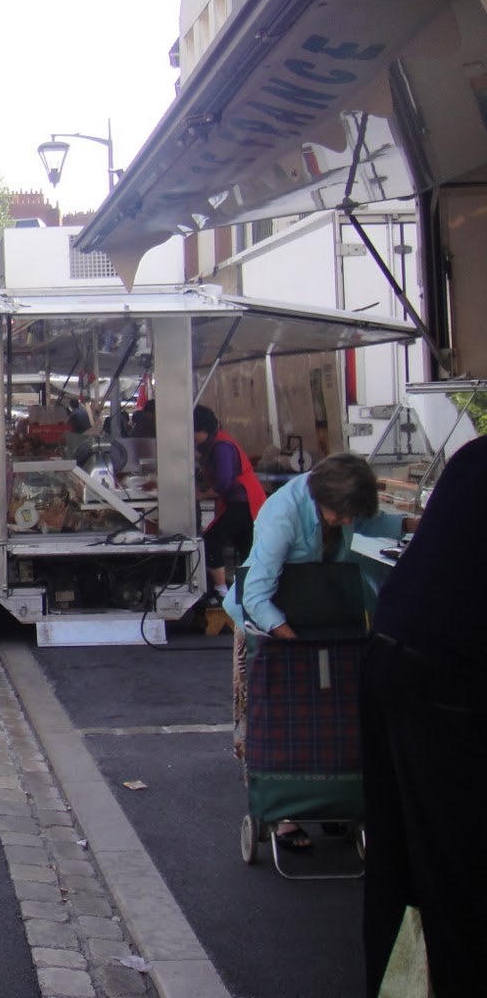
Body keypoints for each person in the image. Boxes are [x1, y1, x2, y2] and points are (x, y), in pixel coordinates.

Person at [221, 453, 415, 851]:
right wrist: (292, 643)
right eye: (341, 516)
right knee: (276, 719)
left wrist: (409, 524)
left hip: (320, 616)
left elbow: (366, 522)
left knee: (332, 715)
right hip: (271, 624)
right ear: (322, 500)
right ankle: (284, 813)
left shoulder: (339, 500)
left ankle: (329, 802)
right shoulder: (283, 514)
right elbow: (255, 594)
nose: (347, 523)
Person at [361, 437, 483, 997]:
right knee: (455, 867)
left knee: (405, 857)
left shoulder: (475, 456)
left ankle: (400, 981)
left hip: (399, 648)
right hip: (445, 675)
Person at [193, 405, 265, 605]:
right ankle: (249, 594)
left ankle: (222, 591)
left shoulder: (221, 446)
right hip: (243, 502)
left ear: (201, 430)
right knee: (246, 548)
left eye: (193, 433)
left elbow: (223, 483)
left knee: (211, 540)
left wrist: (202, 495)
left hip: (244, 502)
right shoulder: (216, 443)